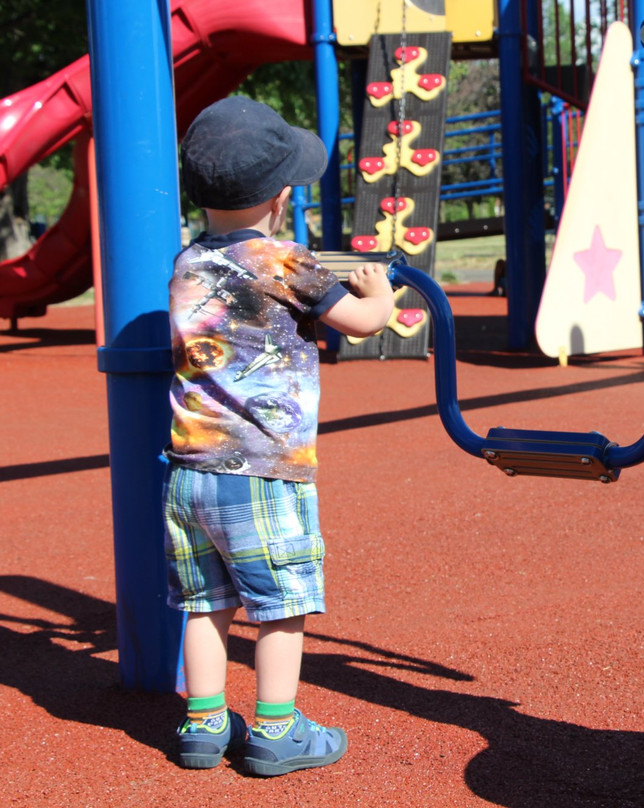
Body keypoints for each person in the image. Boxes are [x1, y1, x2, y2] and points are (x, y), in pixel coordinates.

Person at [162, 96, 395, 776]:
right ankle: (275, 729)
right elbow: (360, 321)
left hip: (189, 472)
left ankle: (204, 724)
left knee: (206, 604)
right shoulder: (286, 261)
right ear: (280, 193)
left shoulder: (186, 264)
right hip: (263, 472)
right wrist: (379, 292)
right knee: (279, 605)